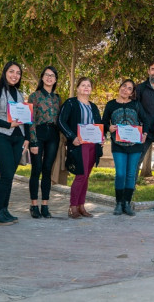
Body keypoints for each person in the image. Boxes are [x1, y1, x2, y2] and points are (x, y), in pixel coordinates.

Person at [0, 61, 29, 226]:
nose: (15, 75)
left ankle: (4, 210)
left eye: (18, 73)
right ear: (5, 73)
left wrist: (27, 138)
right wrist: (8, 124)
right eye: (12, 71)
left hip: (17, 139)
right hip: (0, 137)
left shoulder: (20, 94)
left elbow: (25, 118)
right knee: (6, 175)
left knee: (10, 176)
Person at [102, 79, 149, 216]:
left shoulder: (136, 105)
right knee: (121, 174)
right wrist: (108, 127)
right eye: (124, 86)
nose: (125, 90)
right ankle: (118, 203)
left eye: (129, 88)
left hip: (135, 145)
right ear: (120, 87)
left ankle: (127, 203)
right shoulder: (110, 105)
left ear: (132, 93)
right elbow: (104, 121)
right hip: (118, 145)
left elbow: (146, 120)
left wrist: (145, 133)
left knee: (130, 174)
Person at [58, 77, 103, 219]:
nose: (86, 88)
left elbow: (99, 126)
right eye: (83, 85)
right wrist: (72, 137)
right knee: (80, 175)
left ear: (91, 89)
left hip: (93, 145)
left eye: (88, 85)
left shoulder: (94, 107)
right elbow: (60, 121)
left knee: (86, 176)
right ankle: (73, 207)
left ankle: (81, 206)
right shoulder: (71, 103)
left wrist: (102, 138)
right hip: (79, 144)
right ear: (77, 88)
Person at [27, 66, 61, 219]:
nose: (49, 78)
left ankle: (45, 205)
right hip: (38, 134)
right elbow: (30, 120)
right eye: (46, 75)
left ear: (55, 80)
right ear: (42, 78)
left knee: (47, 169)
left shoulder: (57, 98)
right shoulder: (34, 96)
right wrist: (33, 141)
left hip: (53, 135)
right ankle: (34, 205)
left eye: (52, 75)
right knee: (37, 168)